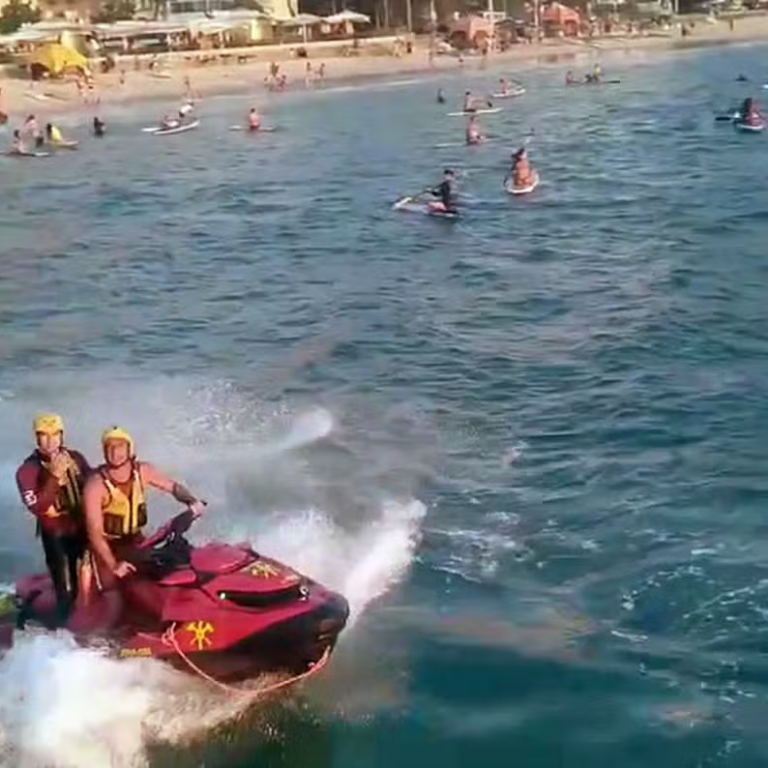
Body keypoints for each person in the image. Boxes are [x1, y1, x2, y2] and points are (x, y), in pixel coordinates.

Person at [80, 427, 205, 629]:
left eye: (120, 446)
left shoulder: (143, 471)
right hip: (105, 549)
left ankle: (180, 620)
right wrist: (114, 566)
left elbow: (172, 487)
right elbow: (94, 533)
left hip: (134, 540)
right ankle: (97, 646)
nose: (114, 452)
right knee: (114, 601)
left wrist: (192, 501)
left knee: (163, 573)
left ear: (130, 449)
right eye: (109, 447)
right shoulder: (95, 485)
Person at [15, 414, 91, 623]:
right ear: (36, 438)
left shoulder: (75, 458)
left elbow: (94, 485)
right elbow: (38, 507)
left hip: (83, 530)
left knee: (94, 585)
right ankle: (58, 632)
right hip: (57, 537)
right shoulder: (28, 471)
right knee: (67, 590)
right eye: (43, 436)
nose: (50, 441)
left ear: (62, 435)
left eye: (55, 435)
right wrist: (55, 478)